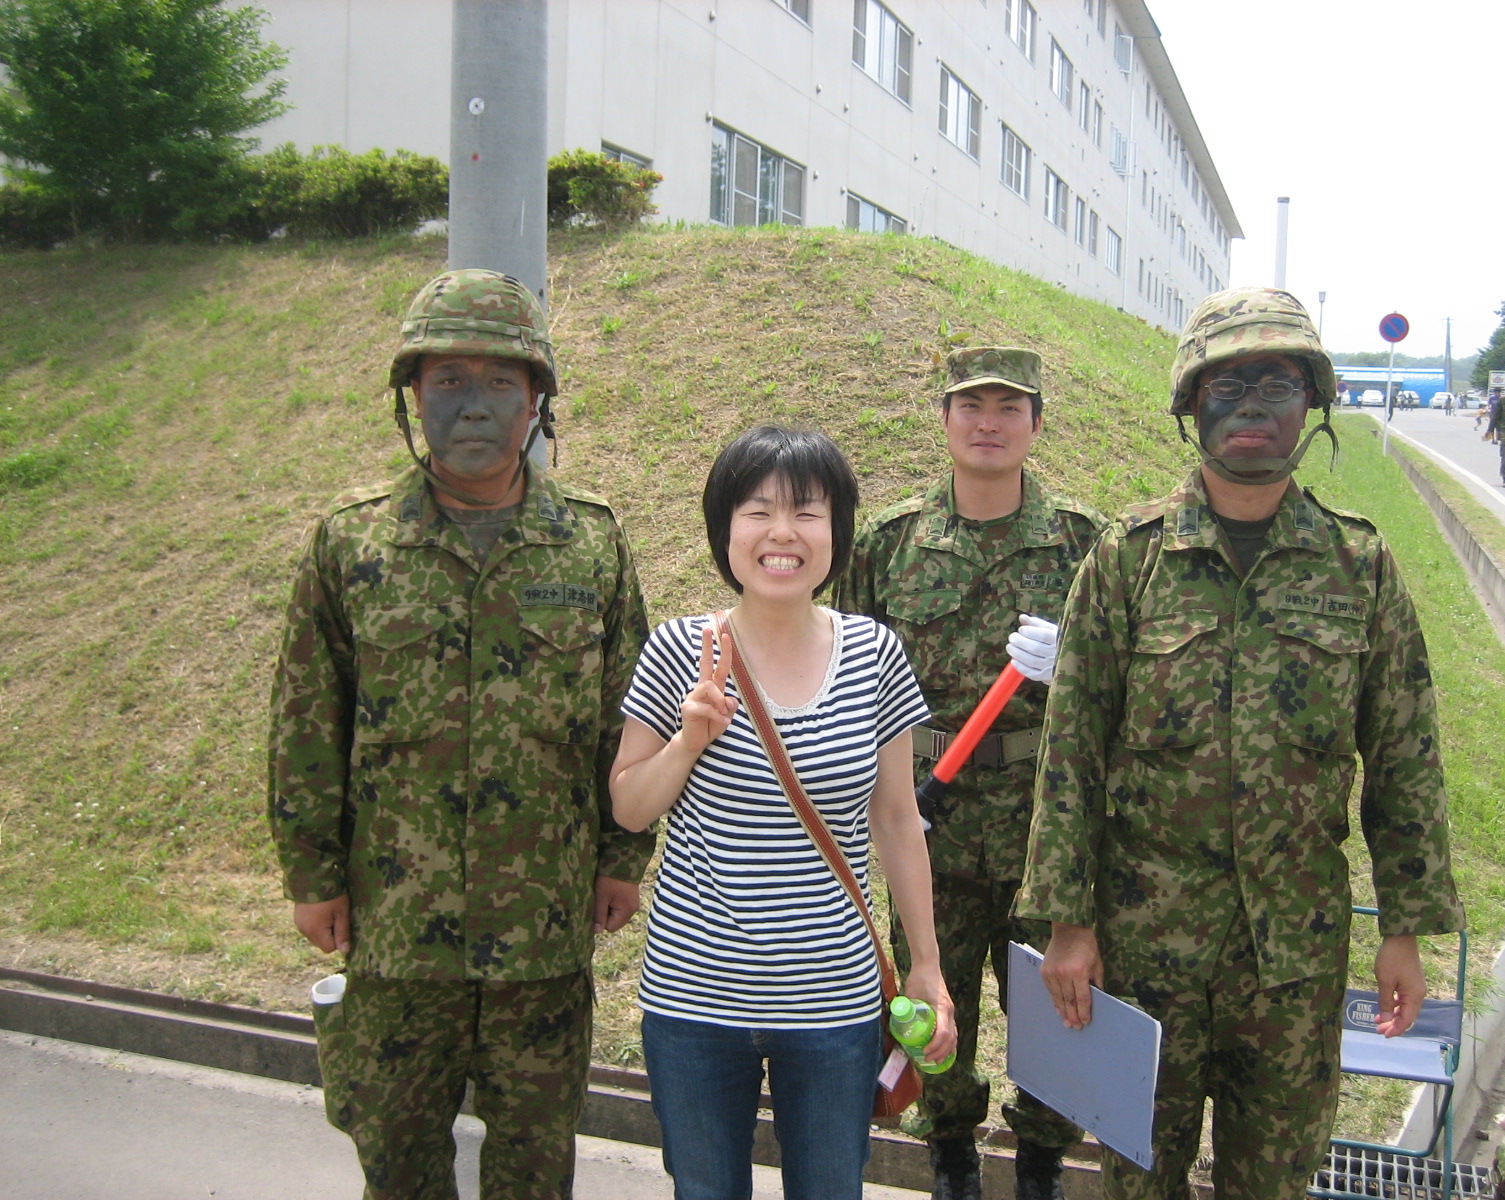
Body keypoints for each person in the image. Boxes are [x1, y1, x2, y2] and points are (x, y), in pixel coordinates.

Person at [1019, 287, 1464, 1200]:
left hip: (1293, 964)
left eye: (1278, 381)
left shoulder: (1360, 566)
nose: (1253, 405)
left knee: (1273, 1187)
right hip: (1147, 957)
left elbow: (1405, 758)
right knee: (1139, 1184)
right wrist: (1068, 923)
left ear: (1312, 405)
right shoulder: (1128, 560)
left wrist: (1406, 934)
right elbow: (1071, 754)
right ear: (1190, 405)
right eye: (1226, 384)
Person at [267, 268, 654, 1200]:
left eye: (499, 383)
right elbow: (306, 723)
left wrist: (618, 859)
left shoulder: (592, 545)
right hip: (398, 933)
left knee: (534, 1172)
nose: (472, 406)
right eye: (448, 382)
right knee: (398, 1169)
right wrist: (312, 876)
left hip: (545, 936)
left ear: (537, 403)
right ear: (412, 395)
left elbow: (623, 718)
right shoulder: (350, 545)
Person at [610, 425, 956, 1200]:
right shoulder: (677, 651)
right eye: (757, 509)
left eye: (807, 511)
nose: (781, 533)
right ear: (723, 528)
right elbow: (629, 807)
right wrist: (687, 739)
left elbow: (899, 820)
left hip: (834, 1003)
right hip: (695, 999)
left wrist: (927, 966)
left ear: (837, 532)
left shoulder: (874, 655)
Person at [833, 346, 1106, 1200]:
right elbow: (843, 670)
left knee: (1055, 1011)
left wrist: (1079, 667)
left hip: (1043, 822)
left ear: (1036, 421)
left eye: (1009, 406)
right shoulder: (890, 542)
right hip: (928, 816)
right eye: (971, 405)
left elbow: (1129, 687)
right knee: (933, 1002)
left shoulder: (1089, 546)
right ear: (943, 418)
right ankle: (950, 1161)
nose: (989, 422)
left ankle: (1040, 1170)